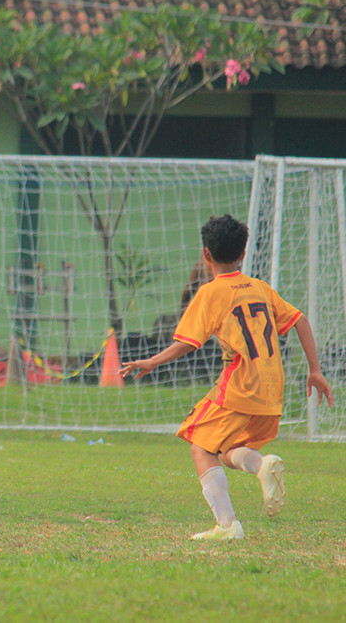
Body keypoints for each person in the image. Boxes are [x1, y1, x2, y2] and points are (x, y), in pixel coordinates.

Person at [120, 214, 334, 540]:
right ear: (243, 253)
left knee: (200, 446)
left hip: (240, 381)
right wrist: (315, 370)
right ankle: (261, 466)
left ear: (206, 255)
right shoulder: (261, 288)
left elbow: (187, 343)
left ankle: (228, 525)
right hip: (273, 387)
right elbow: (301, 320)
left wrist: (151, 361)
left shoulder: (211, 292)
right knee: (226, 448)